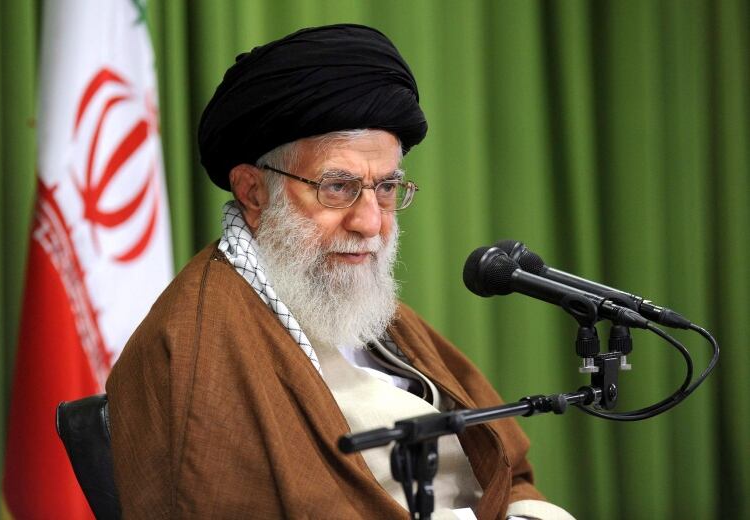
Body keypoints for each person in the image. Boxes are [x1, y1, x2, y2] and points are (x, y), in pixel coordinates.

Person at [107, 24, 574, 519]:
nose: (370, 222)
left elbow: (508, 468)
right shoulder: (195, 344)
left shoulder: (363, 310)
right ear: (253, 192)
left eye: (388, 187)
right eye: (337, 187)